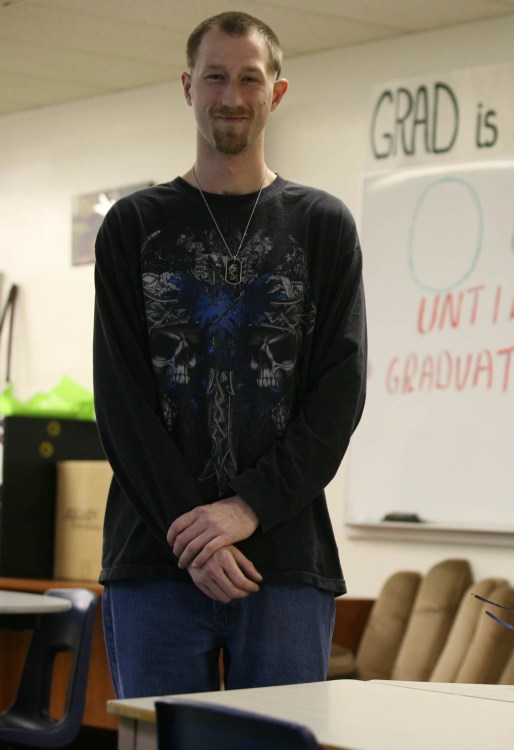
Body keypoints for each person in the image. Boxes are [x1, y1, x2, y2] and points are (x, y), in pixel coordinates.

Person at [93, 11, 366, 699]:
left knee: (279, 741)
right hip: (154, 559)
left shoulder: (323, 225)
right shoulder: (133, 225)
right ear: (189, 87)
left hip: (284, 563)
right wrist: (195, 534)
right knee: (156, 740)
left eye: (249, 78)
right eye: (215, 77)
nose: (231, 96)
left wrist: (247, 508)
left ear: (277, 92)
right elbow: (122, 402)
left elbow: (339, 394)